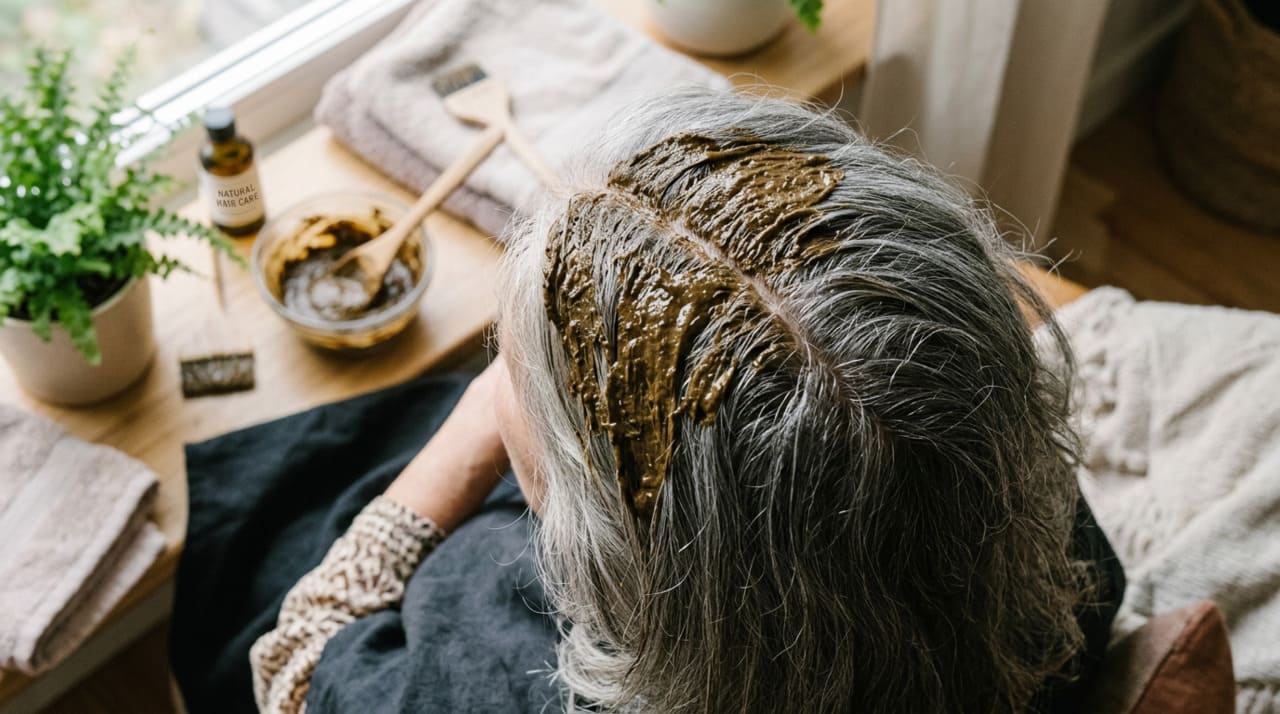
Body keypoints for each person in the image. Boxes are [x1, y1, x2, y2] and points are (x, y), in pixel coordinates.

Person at [249, 88, 1123, 713]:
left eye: (512, 371)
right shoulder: (1059, 563)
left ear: (607, 568)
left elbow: (295, 660)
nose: (503, 379)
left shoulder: (482, 676)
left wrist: (481, 415)